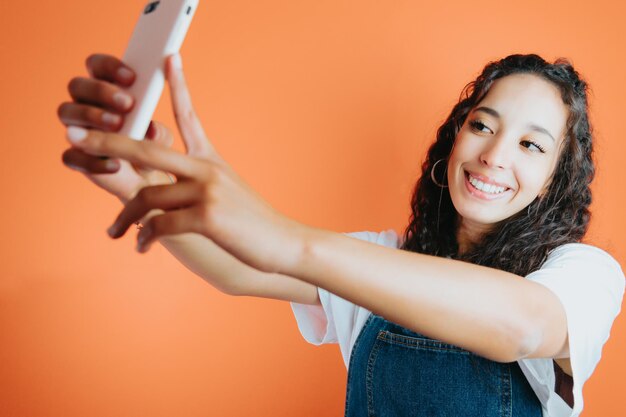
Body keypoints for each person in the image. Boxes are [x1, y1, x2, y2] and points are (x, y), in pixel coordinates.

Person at [58, 52, 624, 417]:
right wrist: (136, 177)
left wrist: (290, 240)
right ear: (454, 140)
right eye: (482, 125)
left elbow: (524, 327)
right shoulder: (380, 261)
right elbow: (237, 267)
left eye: (531, 145)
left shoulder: (582, 275)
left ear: (556, 179)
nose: (495, 156)